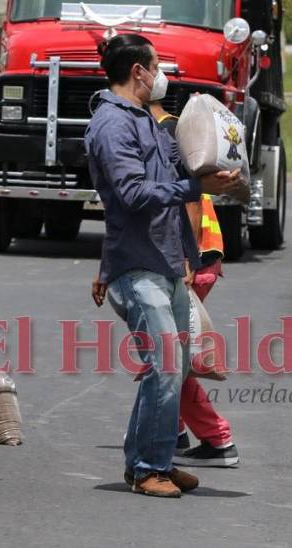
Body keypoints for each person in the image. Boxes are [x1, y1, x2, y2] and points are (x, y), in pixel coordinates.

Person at [85, 33, 244, 498]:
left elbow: (180, 172)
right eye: (156, 67)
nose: (161, 76)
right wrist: (196, 188)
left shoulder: (147, 120)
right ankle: (149, 468)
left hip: (167, 263)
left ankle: (151, 462)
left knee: (170, 369)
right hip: (138, 267)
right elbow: (132, 195)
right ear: (138, 71)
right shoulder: (112, 126)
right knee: (167, 365)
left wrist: (215, 169)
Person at [148, 100, 240, 467]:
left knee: (172, 362)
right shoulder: (169, 128)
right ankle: (174, 431)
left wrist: (185, 258)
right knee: (170, 356)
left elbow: (191, 200)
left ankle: (217, 439)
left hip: (191, 261)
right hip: (199, 257)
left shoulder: (167, 132)